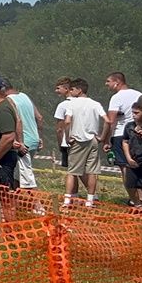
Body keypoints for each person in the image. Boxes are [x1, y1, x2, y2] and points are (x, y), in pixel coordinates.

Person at [60, 78, 108, 208]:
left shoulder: (72, 104)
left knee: (72, 171)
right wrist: (102, 137)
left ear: (79, 90)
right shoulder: (96, 104)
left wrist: (68, 137)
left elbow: (68, 121)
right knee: (92, 171)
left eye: (72, 89)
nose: (70, 92)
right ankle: (90, 201)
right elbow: (107, 121)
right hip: (92, 140)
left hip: (78, 141)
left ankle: (67, 200)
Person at [101, 72, 142, 207]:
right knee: (138, 166)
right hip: (137, 133)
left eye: (108, 81)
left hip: (120, 134)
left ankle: (135, 202)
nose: (106, 84)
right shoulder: (139, 94)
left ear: (117, 82)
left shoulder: (116, 97)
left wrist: (106, 139)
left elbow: (110, 121)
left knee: (125, 167)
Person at [4, 81, 43, 190]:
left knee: (27, 177)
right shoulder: (25, 96)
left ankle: (38, 205)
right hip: (34, 140)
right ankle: (16, 202)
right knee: (18, 174)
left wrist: (19, 142)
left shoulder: (8, 100)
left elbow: (17, 121)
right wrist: (39, 137)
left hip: (22, 143)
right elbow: (39, 118)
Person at [123, 103, 142, 209]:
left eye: (136, 113)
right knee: (129, 184)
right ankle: (137, 203)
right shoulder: (129, 126)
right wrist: (128, 158)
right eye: (132, 112)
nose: (133, 115)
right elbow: (125, 141)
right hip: (132, 159)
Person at [52, 76, 73, 169]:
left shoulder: (62, 105)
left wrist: (60, 144)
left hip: (67, 142)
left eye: (58, 88)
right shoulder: (82, 103)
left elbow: (59, 129)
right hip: (81, 140)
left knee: (71, 171)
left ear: (66, 88)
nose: (56, 91)